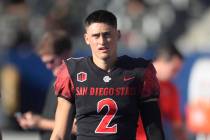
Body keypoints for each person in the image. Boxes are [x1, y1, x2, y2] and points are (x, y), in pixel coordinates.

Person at [50, 10, 164, 140]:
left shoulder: (139, 71)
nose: (102, 41)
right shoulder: (72, 72)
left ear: (118, 35)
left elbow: (155, 132)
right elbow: (59, 134)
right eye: (96, 36)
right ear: (87, 39)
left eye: (107, 34)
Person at [16, 30, 76, 140]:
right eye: (45, 63)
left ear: (67, 54)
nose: (48, 67)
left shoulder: (78, 83)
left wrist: (39, 122)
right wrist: (34, 120)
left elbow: (79, 127)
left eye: (52, 61)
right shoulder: (55, 82)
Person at [136, 44, 187, 140]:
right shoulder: (135, 80)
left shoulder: (171, 89)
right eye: (174, 70)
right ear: (161, 61)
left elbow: (177, 125)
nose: (175, 75)